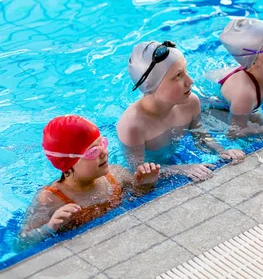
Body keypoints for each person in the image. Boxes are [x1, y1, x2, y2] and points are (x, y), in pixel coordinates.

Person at [20, 115, 160, 245]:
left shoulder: (116, 175)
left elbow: (138, 198)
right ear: (69, 162)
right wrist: (50, 227)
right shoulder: (50, 199)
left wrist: (145, 183)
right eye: (93, 151)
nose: (105, 152)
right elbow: (22, 242)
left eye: (102, 144)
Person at [117, 40, 244, 181]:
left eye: (185, 71)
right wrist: (181, 169)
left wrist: (221, 151)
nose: (190, 81)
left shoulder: (191, 103)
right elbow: (137, 172)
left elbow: (200, 135)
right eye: (178, 76)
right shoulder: (133, 126)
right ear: (151, 85)